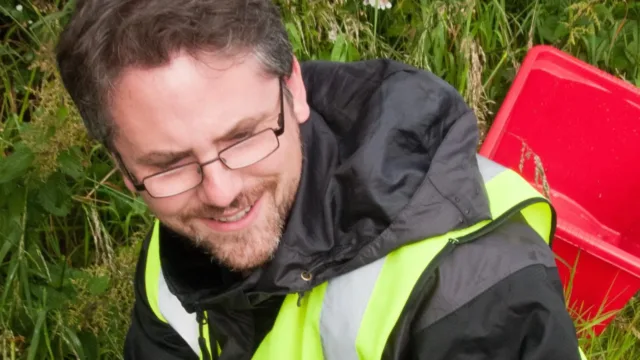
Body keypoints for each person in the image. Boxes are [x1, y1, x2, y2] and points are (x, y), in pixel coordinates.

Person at [55, 0, 586, 359]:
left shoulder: (473, 287)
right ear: (123, 168)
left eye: (243, 137)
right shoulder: (172, 251)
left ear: (295, 88)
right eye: (170, 164)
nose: (220, 193)